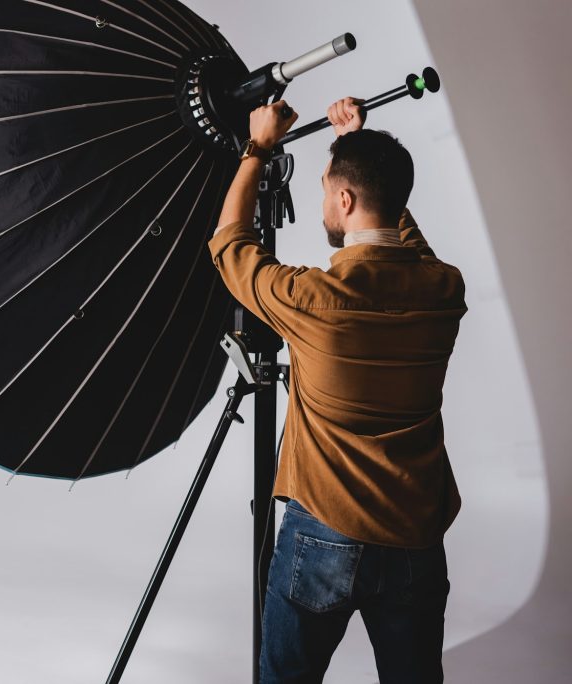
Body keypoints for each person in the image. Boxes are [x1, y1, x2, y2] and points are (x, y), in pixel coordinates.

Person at [208, 98, 465, 683]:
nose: (325, 199)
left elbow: (230, 245)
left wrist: (258, 147)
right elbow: (407, 246)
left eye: (328, 189)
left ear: (344, 202)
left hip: (322, 535)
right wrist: (359, 145)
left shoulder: (313, 300)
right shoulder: (444, 289)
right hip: (415, 540)